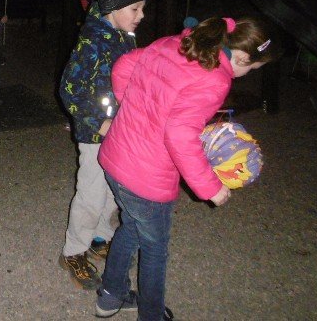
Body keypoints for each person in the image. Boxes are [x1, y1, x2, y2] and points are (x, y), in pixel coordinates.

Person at [94, 16, 281, 320]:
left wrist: (134, 107)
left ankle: (110, 295)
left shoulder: (174, 43)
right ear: (243, 57)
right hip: (147, 178)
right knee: (155, 249)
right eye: (252, 68)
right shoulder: (215, 78)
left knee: (132, 227)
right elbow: (179, 134)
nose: (247, 74)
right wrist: (211, 187)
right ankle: (151, 315)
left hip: (117, 157)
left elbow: (124, 65)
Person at [58, 0, 146, 290]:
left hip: (121, 131)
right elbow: (70, 89)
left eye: (142, 9)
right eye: (135, 9)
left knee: (113, 190)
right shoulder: (92, 42)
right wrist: (100, 123)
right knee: (92, 193)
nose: (141, 16)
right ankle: (73, 251)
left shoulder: (125, 36)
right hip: (96, 134)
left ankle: (100, 237)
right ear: (112, 8)